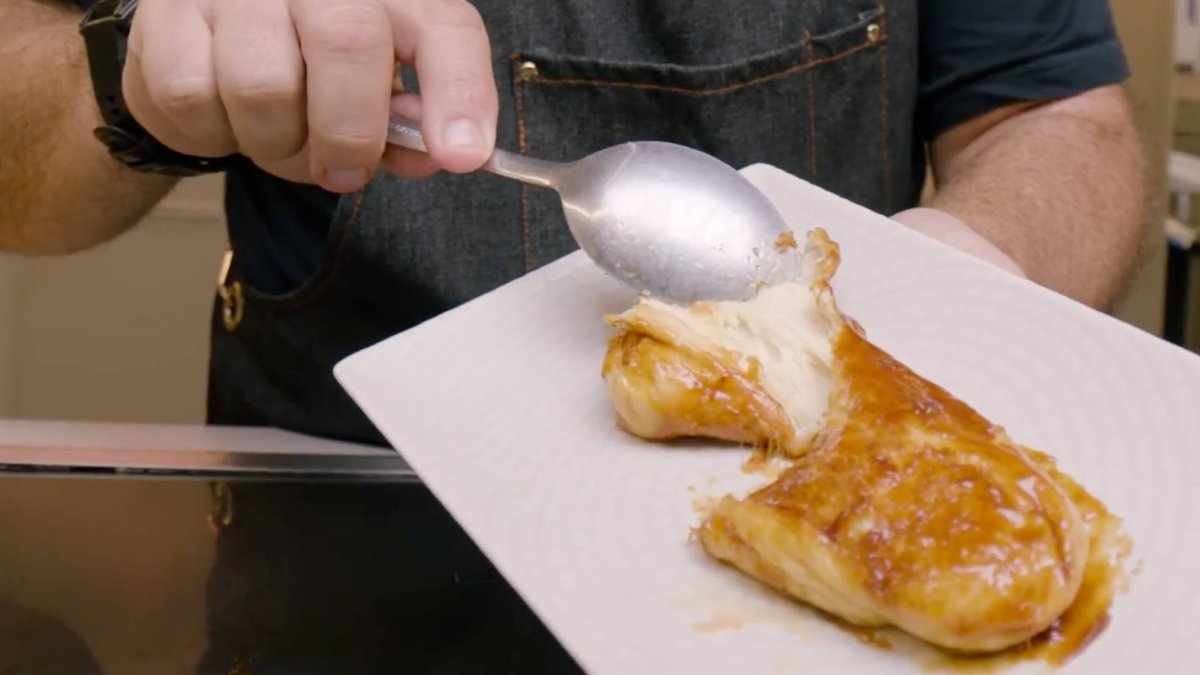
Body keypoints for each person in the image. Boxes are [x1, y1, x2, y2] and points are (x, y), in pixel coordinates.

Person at [3, 0, 1147, 673]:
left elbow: (1058, 115)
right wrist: (128, 71)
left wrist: (967, 272)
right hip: (341, 571)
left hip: (812, 610)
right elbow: (25, 184)